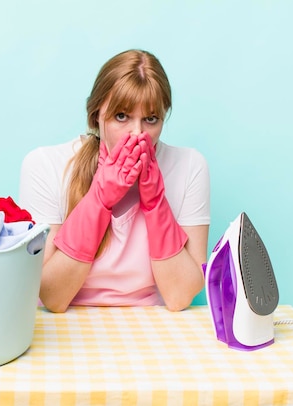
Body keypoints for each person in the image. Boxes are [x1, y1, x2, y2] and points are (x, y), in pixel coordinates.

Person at [19, 49, 210, 313]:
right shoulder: (45, 165)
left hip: (154, 323)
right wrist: (99, 199)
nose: (137, 134)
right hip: (66, 327)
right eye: (122, 117)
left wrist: (156, 204)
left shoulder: (190, 166)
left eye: (151, 119)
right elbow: (52, 296)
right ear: (96, 115)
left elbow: (179, 297)